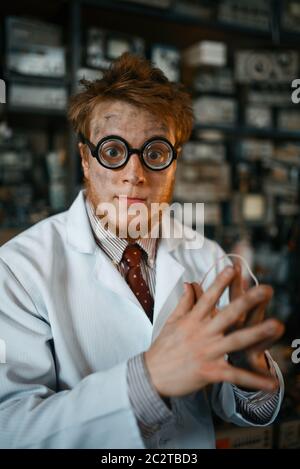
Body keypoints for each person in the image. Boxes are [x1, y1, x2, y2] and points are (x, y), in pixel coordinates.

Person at [0, 53, 284, 449]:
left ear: (174, 161)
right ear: (85, 159)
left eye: (154, 153)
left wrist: (247, 370)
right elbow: (10, 428)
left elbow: (247, 412)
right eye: (113, 152)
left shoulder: (209, 257)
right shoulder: (17, 270)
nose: (134, 174)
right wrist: (147, 381)